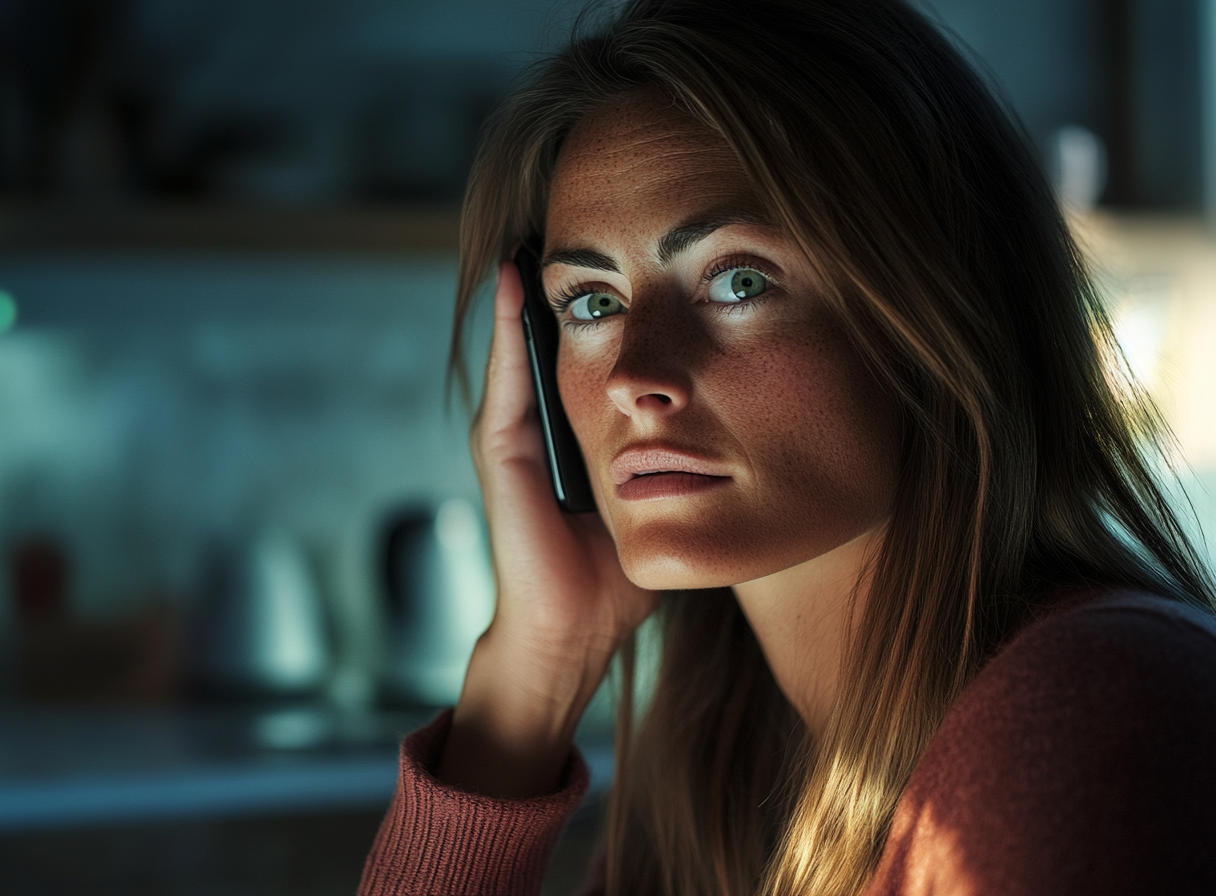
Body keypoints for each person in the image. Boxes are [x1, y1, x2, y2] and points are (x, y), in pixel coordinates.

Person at [360, 0, 1216, 893]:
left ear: (940, 313)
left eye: (738, 280)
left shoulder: (1089, 708)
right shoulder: (720, 778)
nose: (631, 375)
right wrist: (539, 661)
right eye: (592, 302)